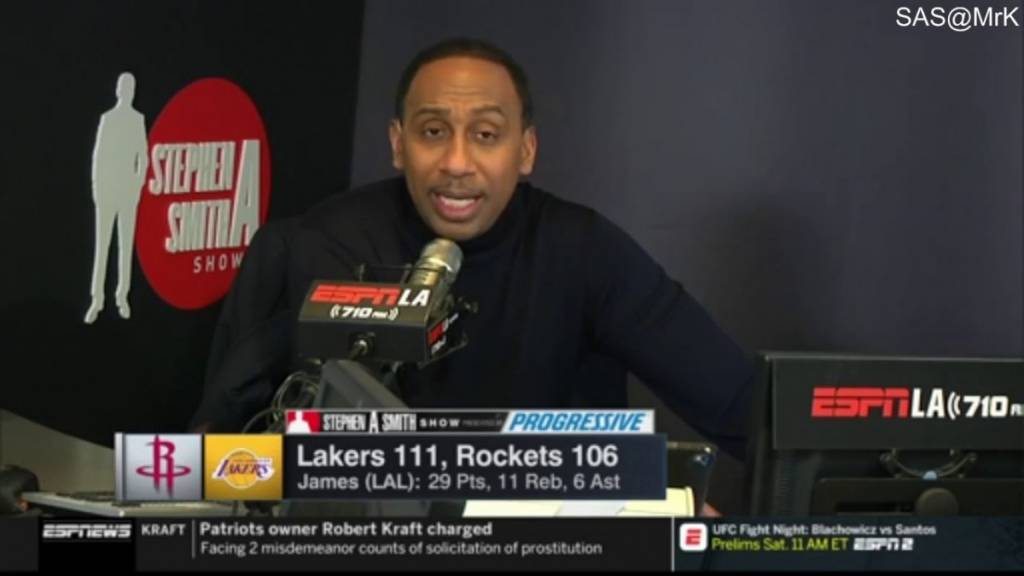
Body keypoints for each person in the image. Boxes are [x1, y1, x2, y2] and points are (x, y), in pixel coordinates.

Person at [190, 38, 754, 467]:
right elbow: (215, 455)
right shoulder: (321, 244)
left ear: (525, 150)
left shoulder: (585, 251)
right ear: (398, 144)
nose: (457, 164)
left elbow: (741, 406)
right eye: (433, 132)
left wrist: (664, 503)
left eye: (486, 135)